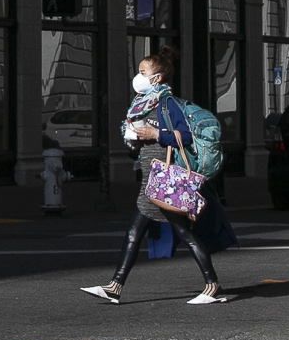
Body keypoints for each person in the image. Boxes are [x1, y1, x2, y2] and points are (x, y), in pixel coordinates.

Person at [79, 51, 228, 305]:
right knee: (137, 234)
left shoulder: (167, 103)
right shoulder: (142, 103)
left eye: (143, 72)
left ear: (157, 78)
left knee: (181, 233)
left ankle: (212, 284)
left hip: (165, 178)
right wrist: (132, 136)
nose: (138, 77)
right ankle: (115, 286)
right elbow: (140, 141)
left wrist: (154, 133)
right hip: (150, 177)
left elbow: (184, 136)